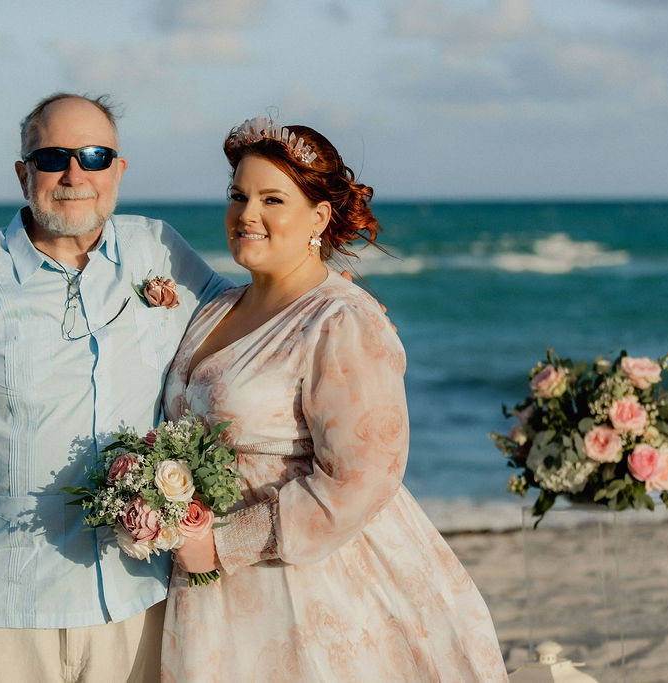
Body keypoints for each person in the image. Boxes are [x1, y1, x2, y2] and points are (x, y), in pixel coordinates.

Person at [161, 118, 509, 681]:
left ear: (317, 218)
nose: (247, 214)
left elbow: (364, 478)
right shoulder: (214, 308)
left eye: (273, 199)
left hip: (307, 578)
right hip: (207, 585)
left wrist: (223, 545)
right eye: (238, 195)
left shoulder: (342, 319)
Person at [0, 93, 230, 682]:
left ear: (119, 170)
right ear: (23, 173)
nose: (75, 174)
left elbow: (244, 316)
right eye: (52, 157)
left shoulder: (157, 248)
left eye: (95, 155)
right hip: (2, 607)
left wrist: (334, 302)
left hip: (137, 596)